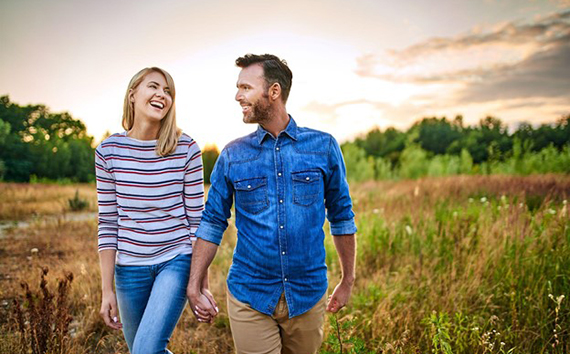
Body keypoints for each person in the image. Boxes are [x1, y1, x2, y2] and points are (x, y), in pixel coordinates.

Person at [187, 54, 357, 354]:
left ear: (273, 92)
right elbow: (212, 222)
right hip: (249, 296)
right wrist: (195, 284)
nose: (238, 96)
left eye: (245, 88)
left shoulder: (323, 147)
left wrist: (347, 281)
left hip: (307, 295)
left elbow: (342, 216)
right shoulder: (232, 155)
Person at [95, 67, 216, 354]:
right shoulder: (108, 151)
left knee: (146, 350)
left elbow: (198, 222)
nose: (162, 95)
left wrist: (201, 284)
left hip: (175, 260)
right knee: (142, 350)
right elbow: (108, 223)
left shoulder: (186, 148)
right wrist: (106, 290)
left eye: (168, 91)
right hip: (129, 269)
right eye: (154, 87)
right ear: (133, 94)